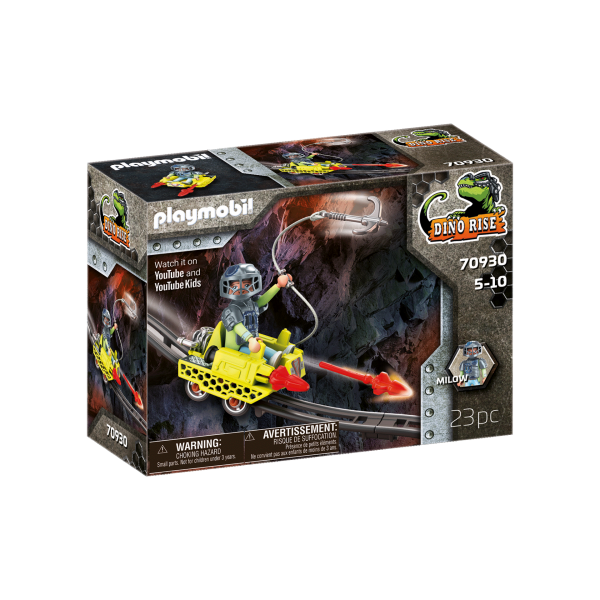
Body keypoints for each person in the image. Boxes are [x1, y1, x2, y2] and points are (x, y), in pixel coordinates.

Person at [219, 263, 292, 368]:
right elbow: (238, 327)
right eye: (235, 286)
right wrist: (250, 339)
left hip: (253, 342)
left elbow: (263, 300)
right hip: (237, 348)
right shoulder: (232, 310)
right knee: (262, 360)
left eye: (246, 285)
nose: (241, 289)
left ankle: (282, 355)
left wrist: (278, 285)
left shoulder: (250, 304)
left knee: (274, 355)